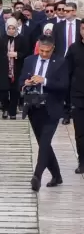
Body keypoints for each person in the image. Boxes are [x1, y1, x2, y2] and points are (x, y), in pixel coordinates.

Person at [22, 35, 68, 191]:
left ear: (52, 49)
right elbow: (20, 81)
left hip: (51, 108)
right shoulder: (29, 60)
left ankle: (37, 176)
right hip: (34, 108)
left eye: (47, 51)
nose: (44, 54)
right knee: (44, 144)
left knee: (44, 143)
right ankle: (57, 175)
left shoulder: (60, 62)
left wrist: (45, 81)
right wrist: (25, 83)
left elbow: (64, 85)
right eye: (41, 51)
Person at [0, 17, 30, 120]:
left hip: (17, 69)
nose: (11, 30)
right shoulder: (2, 38)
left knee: (15, 92)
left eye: (13, 28)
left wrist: (17, 54)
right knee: (3, 91)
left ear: (16, 28)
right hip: (4, 68)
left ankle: (12, 112)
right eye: (9, 28)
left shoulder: (22, 39)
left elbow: (27, 53)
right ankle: (5, 107)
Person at [66, 21, 84, 173]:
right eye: (83, 28)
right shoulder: (74, 49)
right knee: (80, 132)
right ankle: (82, 161)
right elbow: (67, 71)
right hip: (78, 95)